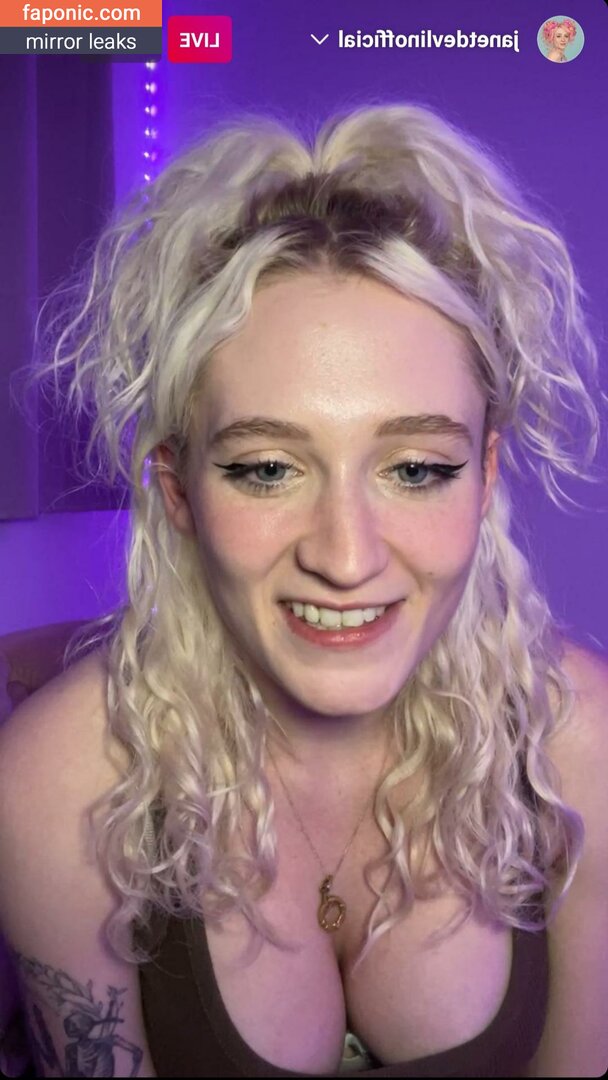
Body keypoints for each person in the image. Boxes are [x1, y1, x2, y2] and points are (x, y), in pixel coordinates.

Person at [1, 101, 607, 1079]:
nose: (346, 557)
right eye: (266, 469)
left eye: (416, 469)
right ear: (178, 490)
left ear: (485, 477)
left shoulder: (579, 743)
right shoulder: (53, 785)